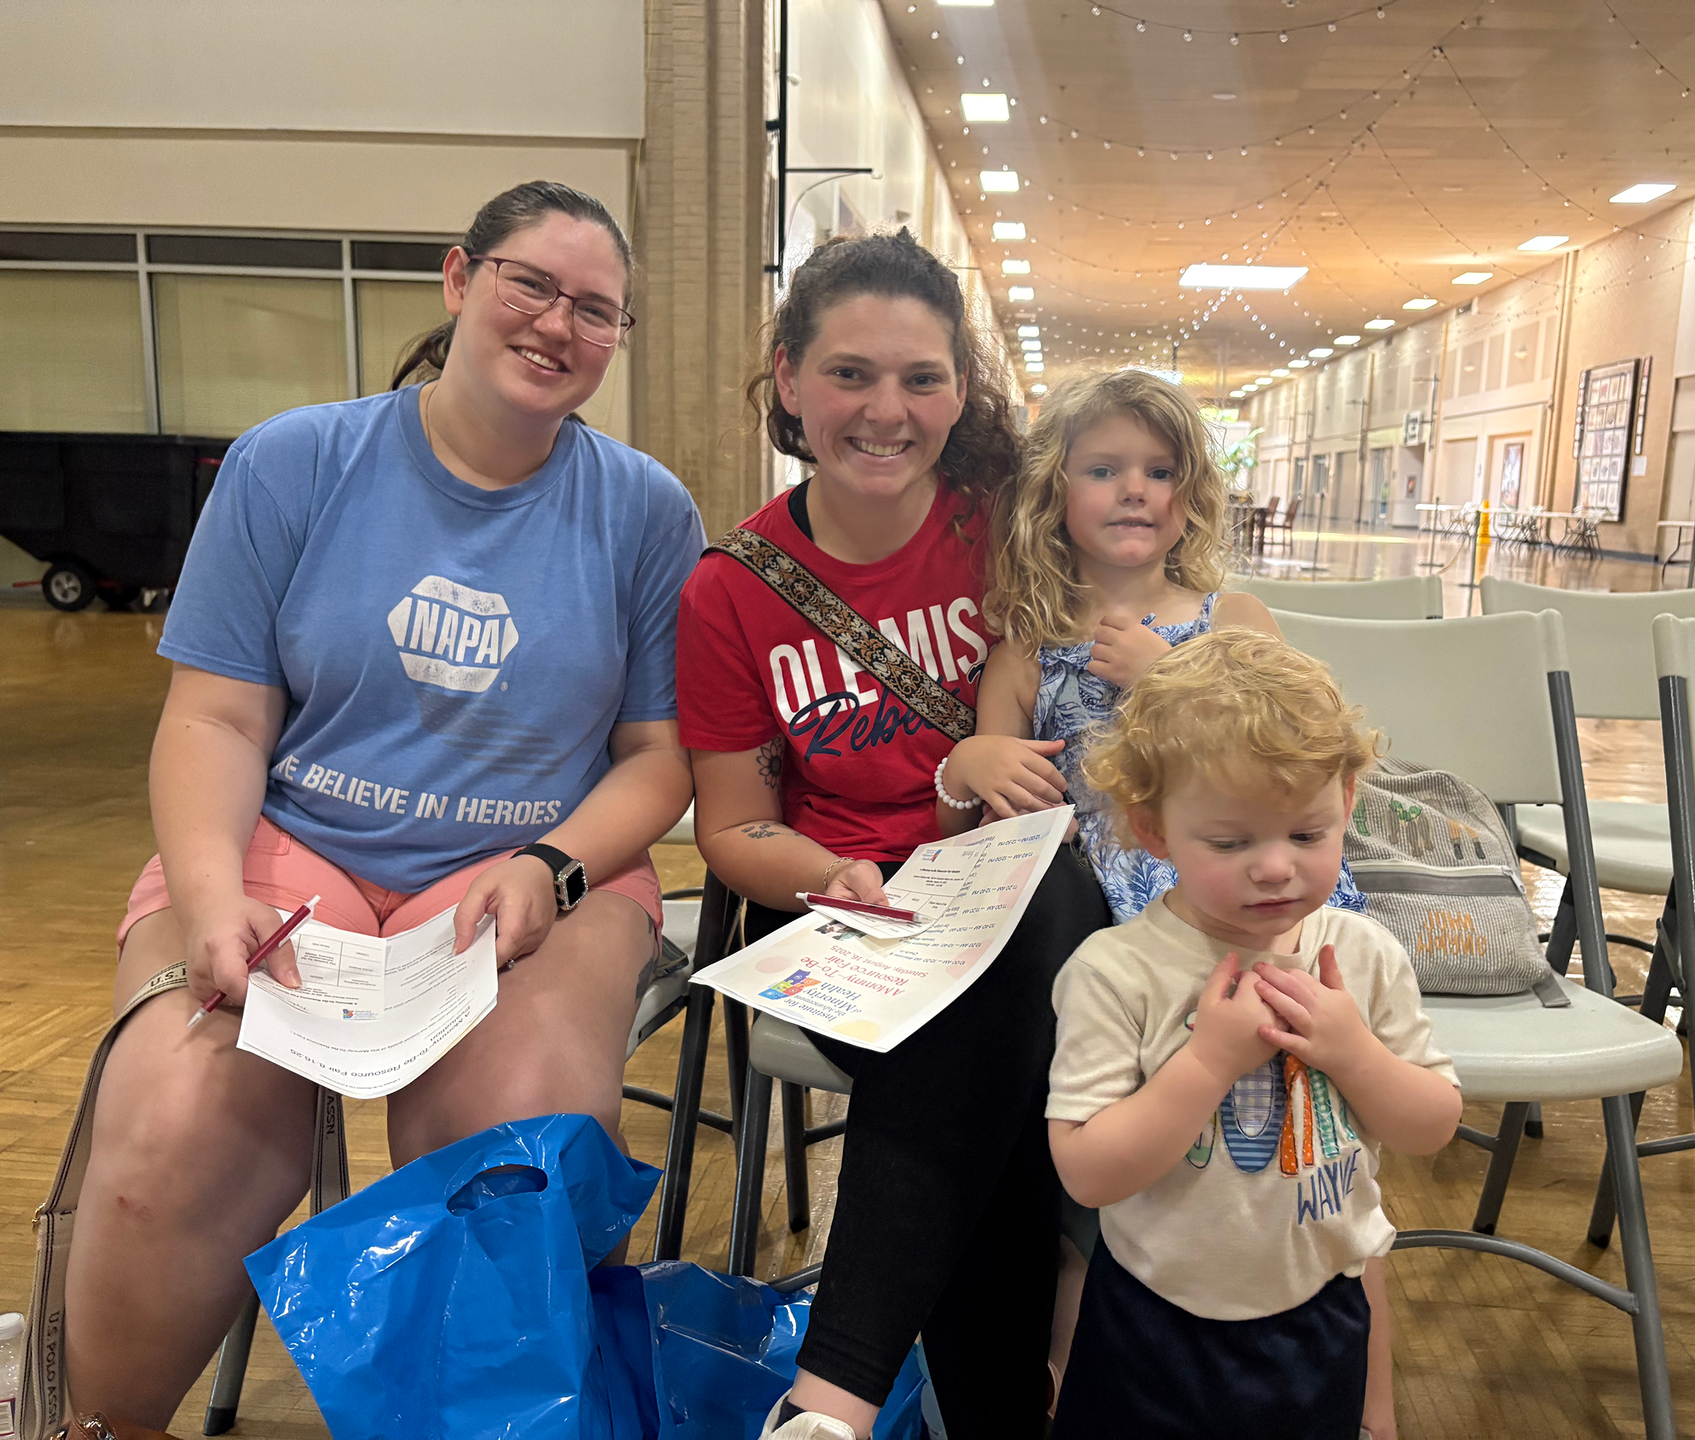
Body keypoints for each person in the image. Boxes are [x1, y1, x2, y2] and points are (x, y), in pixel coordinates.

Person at [62, 181, 703, 1427]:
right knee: (178, 1123)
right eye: (531, 284)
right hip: (296, 847)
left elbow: (658, 760)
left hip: (528, 868)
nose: (558, 324)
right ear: (460, 279)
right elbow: (215, 719)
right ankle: (93, 1420)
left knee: (520, 1154)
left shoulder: (644, 511)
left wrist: (556, 866)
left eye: (597, 310)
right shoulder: (294, 463)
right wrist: (208, 898)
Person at [674, 229, 1112, 1440]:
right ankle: (966, 1408)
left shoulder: (1003, 530)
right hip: (848, 916)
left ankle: (835, 1395)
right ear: (788, 378)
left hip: (1018, 892)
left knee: (1019, 938)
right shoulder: (734, 586)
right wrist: (834, 873)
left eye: (921, 378)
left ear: (961, 388)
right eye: (851, 373)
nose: (887, 409)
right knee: (988, 1067)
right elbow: (734, 828)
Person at [1047, 631, 1462, 1440]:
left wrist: (1352, 1053)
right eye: (1231, 843)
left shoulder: (1361, 956)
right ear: (1155, 829)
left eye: (1306, 836)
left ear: (1345, 803)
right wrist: (1208, 1061)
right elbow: (1088, 1172)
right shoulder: (1117, 971)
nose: (1274, 868)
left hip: (1318, 1315)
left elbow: (1431, 1124)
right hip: (1151, 1322)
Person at [940, 367, 1364, 922]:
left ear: (1190, 495)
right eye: (1102, 470)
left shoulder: (1233, 621)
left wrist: (1170, 681)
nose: (1135, 490)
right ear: (1053, 492)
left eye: (1161, 472)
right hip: (1088, 906)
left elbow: (1296, 761)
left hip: (1248, 885)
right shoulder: (1024, 658)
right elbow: (976, 827)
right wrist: (968, 767)